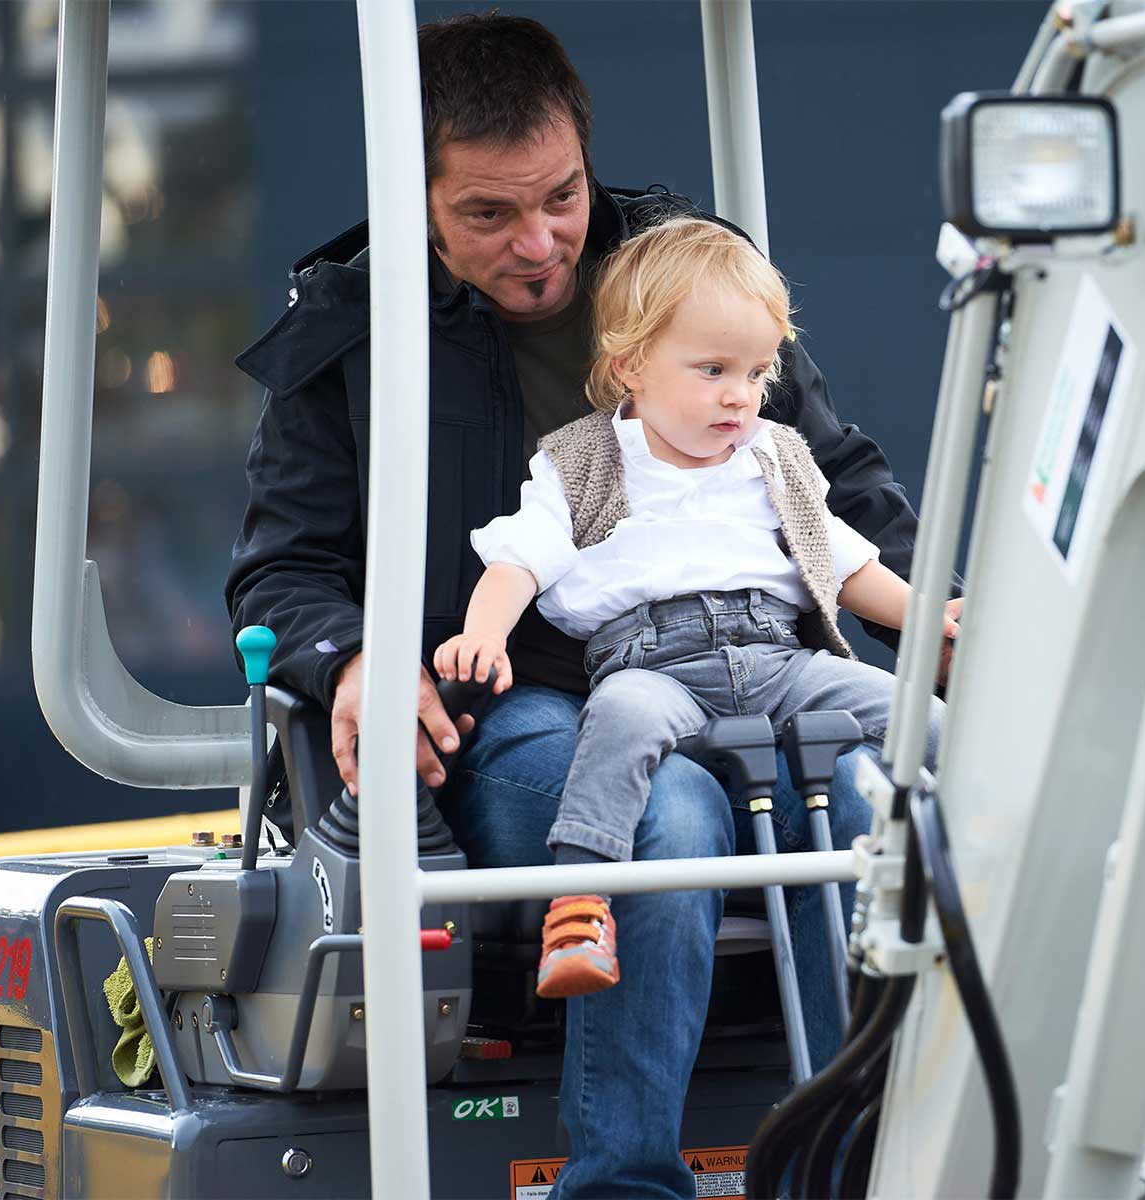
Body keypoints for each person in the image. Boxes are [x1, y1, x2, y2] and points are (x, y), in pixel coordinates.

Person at [224, 14, 929, 1196]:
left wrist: (950, 629)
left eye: (560, 197)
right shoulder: (351, 337)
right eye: (487, 215)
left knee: (866, 798)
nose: (539, 241)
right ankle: (623, 1182)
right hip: (517, 708)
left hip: (750, 678)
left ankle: (858, 1165)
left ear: (587, 159)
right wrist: (352, 660)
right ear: (416, 199)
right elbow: (280, 571)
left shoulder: (685, 278)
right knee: (672, 814)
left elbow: (837, 489)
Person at [432, 218, 953, 997]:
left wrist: (932, 617)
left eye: (757, 371)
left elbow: (847, 565)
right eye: (713, 370)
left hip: (776, 659)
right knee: (618, 723)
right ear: (632, 364)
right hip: (651, 662)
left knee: (920, 718)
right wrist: (484, 634)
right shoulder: (586, 460)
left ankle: (973, 870)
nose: (740, 395)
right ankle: (582, 899)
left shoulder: (772, 457)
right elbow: (518, 561)